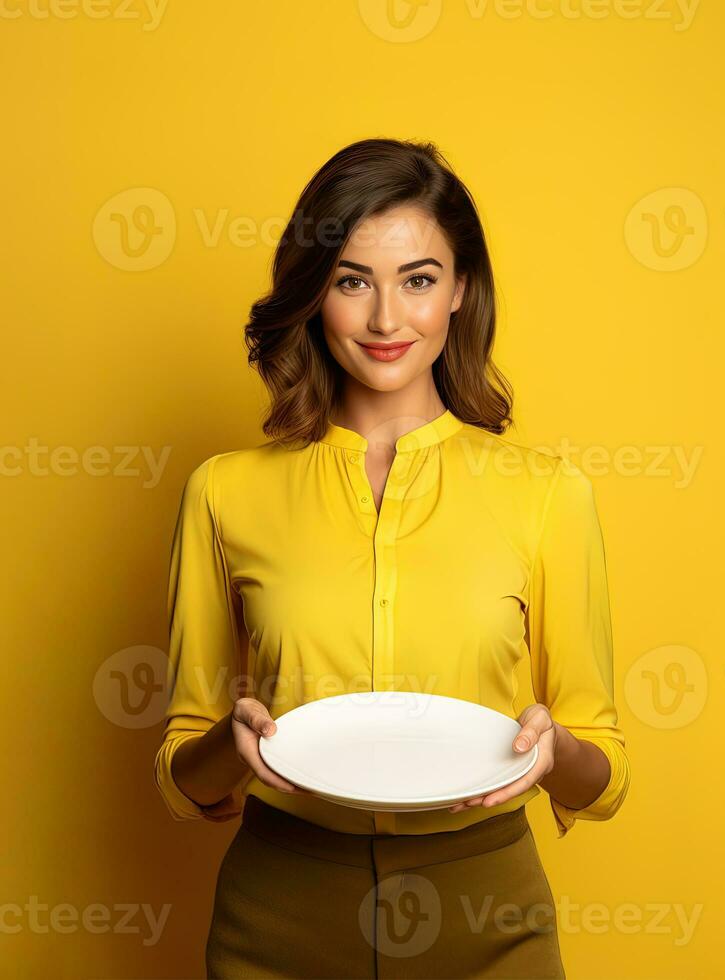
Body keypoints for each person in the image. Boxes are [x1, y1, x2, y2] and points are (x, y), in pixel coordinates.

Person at [153, 138, 630, 978]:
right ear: (314, 294)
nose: (384, 320)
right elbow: (185, 774)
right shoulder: (223, 493)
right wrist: (232, 744)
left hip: (489, 911)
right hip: (278, 913)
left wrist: (561, 755)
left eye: (417, 279)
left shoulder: (549, 494)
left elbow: (605, 773)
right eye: (350, 281)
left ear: (460, 293)